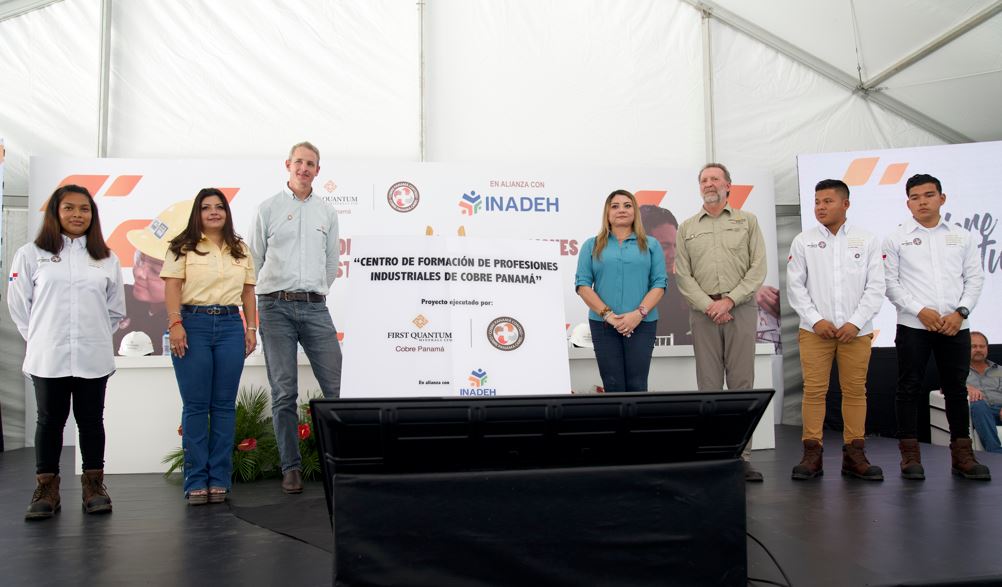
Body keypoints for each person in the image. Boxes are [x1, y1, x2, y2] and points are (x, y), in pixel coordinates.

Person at [7, 184, 126, 520]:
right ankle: (47, 489)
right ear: (56, 213)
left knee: (91, 422)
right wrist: (40, 338)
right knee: (49, 421)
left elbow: (115, 309)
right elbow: (18, 304)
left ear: (93, 215)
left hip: (93, 354)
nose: (77, 215)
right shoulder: (31, 254)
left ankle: (93, 486)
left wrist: (94, 336)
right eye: (69, 208)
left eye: (84, 209)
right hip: (48, 355)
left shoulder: (106, 258)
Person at [249, 141, 342, 494]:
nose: (304, 168)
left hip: (316, 307)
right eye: (299, 162)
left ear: (318, 171)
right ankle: (291, 468)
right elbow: (254, 261)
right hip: (275, 308)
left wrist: (314, 290)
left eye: (311, 164)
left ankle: (339, 462)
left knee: (336, 389)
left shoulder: (327, 213)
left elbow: (331, 263)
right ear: (287, 165)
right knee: (284, 391)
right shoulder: (267, 209)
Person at [884, 173, 989, 480]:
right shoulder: (896, 237)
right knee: (908, 388)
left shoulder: (962, 236)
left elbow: (975, 278)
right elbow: (890, 283)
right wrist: (920, 311)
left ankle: (963, 455)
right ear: (908, 203)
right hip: (913, 325)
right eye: (915, 197)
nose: (922, 202)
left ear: (942, 199)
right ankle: (910, 456)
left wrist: (961, 312)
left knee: (956, 389)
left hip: (955, 325)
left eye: (928, 195)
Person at [161, 188, 257, 504]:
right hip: (193, 324)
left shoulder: (240, 248)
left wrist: (251, 328)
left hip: (231, 326)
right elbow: (173, 287)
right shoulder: (181, 246)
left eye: (219, 207)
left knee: (224, 406)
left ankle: (219, 478)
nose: (213, 212)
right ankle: (195, 480)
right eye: (206, 207)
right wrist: (176, 324)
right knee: (196, 406)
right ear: (197, 213)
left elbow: (247, 293)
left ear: (227, 212)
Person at [786, 179, 885, 481]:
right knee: (814, 391)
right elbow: (795, 285)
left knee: (855, 392)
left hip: (857, 331)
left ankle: (854, 454)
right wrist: (816, 319)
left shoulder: (867, 240)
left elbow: (876, 286)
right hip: (815, 331)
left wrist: (855, 322)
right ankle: (811, 453)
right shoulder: (803, 241)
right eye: (817, 201)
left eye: (827, 201)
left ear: (846, 204)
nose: (820, 207)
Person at [674, 163, 767, 481]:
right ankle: (713, 456)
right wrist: (709, 305)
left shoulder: (748, 222)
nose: (709, 184)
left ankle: (741, 457)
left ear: (729, 185)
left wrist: (729, 300)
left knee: (742, 387)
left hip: (740, 309)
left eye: (715, 179)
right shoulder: (687, 227)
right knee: (709, 388)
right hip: (703, 314)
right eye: (703, 180)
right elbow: (683, 275)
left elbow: (758, 268)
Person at [575, 190, 666, 392]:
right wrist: (609, 316)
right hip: (603, 325)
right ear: (607, 213)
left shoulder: (651, 245)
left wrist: (638, 314)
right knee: (613, 385)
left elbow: (659, 284)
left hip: (643, 323)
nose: (621, 210)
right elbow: (582, 285)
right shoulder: (591, 245)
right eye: (615, 206)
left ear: (635, 212)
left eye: (627, 205)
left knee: (637, 385)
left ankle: (635, 425)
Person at [117, 200, 194, 353]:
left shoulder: (193, 320)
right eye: (140, 260)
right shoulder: (121, 300)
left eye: (154, 270)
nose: (140, 273)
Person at [639, 205, 691, 346]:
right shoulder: (620, 286)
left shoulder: (683, 286)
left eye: (675, 246)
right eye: (665, 247)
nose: (673, 254)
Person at [966, 331, 1002, 454]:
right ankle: (996, 453)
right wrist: (966, 387)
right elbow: (946, 386)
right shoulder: (959, 370)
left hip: (1000, 410)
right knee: (978, 404)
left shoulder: (999, 370)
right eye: (973, 346)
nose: (978, 349)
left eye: (982, 346)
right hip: (980, 413)